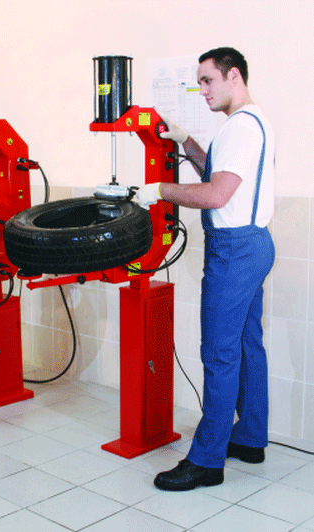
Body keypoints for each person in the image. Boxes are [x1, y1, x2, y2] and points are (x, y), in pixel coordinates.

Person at [137, 47, 276, 491]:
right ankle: (250, 437)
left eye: (208, 80)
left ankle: (206, 460)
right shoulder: (253, 122)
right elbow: (219, 176)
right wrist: (186, 142)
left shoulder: (240, 127)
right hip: (254, 243)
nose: (202, 90)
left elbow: (216, 195)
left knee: (219, 353)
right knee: (247, 346)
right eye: (199, 82)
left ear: (233, 76)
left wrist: (159, 190)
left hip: (234, 251)